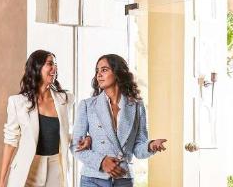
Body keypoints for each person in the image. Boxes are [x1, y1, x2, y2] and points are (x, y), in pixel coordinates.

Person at [70, 54, 167, 186]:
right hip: (92, 178)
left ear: (117, 73)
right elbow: (75, 146)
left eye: (104, 70)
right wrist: (102, 162)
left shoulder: (137, 106)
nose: (99, 75)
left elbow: (138, 148)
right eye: (97, 71)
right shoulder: (87, 105)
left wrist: (150, 146)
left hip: (123, 178)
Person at [0, 50, 91, 187]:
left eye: (55, 64)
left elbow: (63, 134)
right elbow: (10, 142)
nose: (54, 68)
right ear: (36, 68)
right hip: (28, 169)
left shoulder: (65, 99)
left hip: (56, 168)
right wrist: (2, 181)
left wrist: (85, 138)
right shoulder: (17, 102)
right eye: (50, 64)